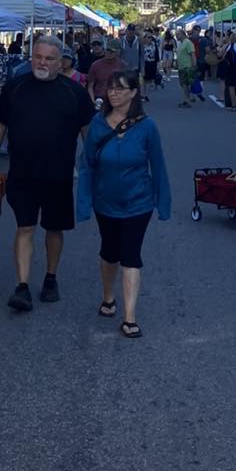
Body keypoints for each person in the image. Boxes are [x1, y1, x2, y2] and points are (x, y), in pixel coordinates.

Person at [0, 37, 95, 311]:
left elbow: (90, 135)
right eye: (37, 56)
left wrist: (95, 167)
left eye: (49, 59)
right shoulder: (15, 88)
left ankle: (51, 277)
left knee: (54, 228)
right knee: (24, 227)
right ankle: (22, 285)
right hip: (22, 173)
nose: (41, 62)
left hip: (59, 176)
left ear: (61, 62)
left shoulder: (75, 93)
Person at [77, 70, 171, 338]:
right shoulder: (97, 124)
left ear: (133, 92)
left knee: (131, 255)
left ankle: (130, 317)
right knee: (109, 251)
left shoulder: (147, 127)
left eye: (120, 88)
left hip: (138, 201)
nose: (113, 92)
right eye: (110, 88)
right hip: (105, 201)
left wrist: (163, 203)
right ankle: (108, 297)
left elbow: (159, 166)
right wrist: (83, 203)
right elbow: (87, 166)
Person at [88, 38, 124, 104]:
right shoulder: (95, 65)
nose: (109, 53)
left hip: (117, 98)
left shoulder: (122, 65)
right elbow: (90, 86)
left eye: (112, 51)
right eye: (107, 50)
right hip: (99, 98)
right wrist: (92, 100)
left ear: (117, 52)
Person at [176, 29, 197, 107]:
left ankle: (188, 100)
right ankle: (188, 98)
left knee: (186, 84)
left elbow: (192, 54)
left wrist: (194, 66)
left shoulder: (188, 42)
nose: (176, 36)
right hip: (182, 67)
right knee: (183, 84)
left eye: (177, 34)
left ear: (182, 34)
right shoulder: (181, 43)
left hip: (187, 67)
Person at [141, 30, 160, 97]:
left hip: (152, 64)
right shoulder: (142, 45)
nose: (150, 39)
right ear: (145, 38)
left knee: (149, 80)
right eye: (148, 37)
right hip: (144, 64)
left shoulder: (154, 45)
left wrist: (158, 65)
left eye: (151, 37)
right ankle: (142, 94)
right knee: (143, 80)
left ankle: (146, 94)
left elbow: (157, 56)